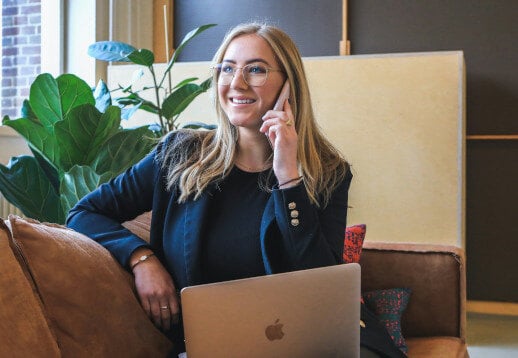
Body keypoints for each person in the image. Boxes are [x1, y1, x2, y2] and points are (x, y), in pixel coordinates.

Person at [67, 23, 404, 358]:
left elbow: (323, 286)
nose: (237, 83)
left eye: (255, 69)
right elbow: (83, 213)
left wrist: (288, 178)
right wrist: (142, 259)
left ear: (289, 85)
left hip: (314, 344)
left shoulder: (327, 172)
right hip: (215, 345)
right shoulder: (179, 155)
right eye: (227, 69)